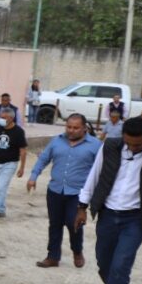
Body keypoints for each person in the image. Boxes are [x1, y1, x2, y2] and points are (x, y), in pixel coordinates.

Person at [74, 117, 142, 284]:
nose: (133, 148)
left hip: (135, 220)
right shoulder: (111, 146)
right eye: (129, 143)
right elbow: (94, 175)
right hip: (107, 214)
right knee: (104, 265)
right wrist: (82, 207)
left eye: (138, 145)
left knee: (119, 268)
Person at [27, 114, 101, 269]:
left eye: (75, 128)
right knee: (54, 224)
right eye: (69, 127)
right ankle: (52, 257)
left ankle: (77, 251)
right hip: (55, 190)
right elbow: (43, 159)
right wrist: (33, 176)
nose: (71, 130)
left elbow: (101, 170)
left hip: (78, 194)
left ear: (84, 128)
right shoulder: (56, 141)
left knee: (73, 223)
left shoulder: (96, 145)